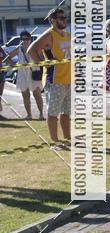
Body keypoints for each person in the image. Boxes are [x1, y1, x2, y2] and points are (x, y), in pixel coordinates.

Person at [27, 8, 71, 148]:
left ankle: (67, 139)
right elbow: (31, 50)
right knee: (53, 113)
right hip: (55, 79)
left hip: (68, 78)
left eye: (65, 17)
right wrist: (42, 63)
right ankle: (54, 142)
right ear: (53, 20)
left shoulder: (67, 35)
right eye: (61, 18)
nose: (64, 20)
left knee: (66, 113)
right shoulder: (49, 35)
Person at [4, 31, 45, 120]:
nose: (25, 41)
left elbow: (43, 58)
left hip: (34, 72)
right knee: (25, 95)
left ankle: (41, 114)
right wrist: (12, 64)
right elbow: (7, 57)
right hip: (22, 73)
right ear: (21, 39)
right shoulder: (19, 49)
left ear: (30, 39)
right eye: (23, 39)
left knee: (37, 94)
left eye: (27, 39)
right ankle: (29, 115)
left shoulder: (35, 47)